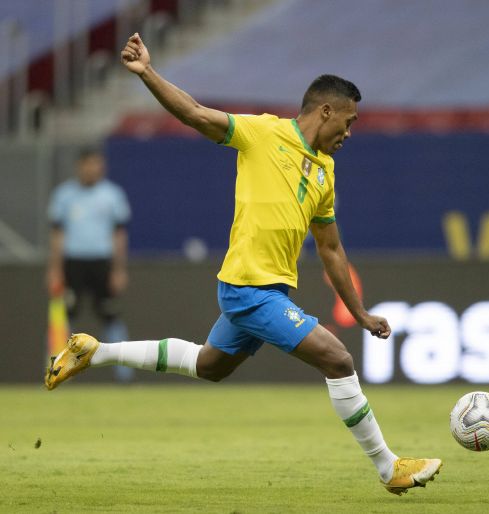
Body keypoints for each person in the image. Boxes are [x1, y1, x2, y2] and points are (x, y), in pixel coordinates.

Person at [45, 33, 441, 495]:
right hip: (248, 289)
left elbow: (331, 249)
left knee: (210, 365)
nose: (349, 134)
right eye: (348, 122)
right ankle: (388, 466)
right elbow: (194, 114)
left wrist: (359, 312)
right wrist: (147, 73)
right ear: (325, 111)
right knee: (338, 359)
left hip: (271, 291)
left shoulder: (325, 172)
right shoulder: (262, 132)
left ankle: (94, 351)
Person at [47, 147, 134, 382]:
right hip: (72, 264)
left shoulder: (112, 195)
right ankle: (56, 373)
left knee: (111, 316)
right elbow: (57, 235)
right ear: (80, 166)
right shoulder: (64, 195)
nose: (93, 169)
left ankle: (124, 375)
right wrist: (55, 270)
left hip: (102, 264)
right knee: (64, 317)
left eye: (97, 164)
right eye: (89, 164)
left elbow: (119, 235)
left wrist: (118, 270)